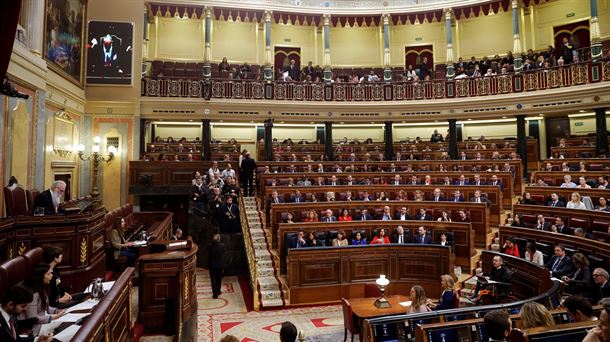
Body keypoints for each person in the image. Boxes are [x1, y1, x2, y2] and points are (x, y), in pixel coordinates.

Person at [22, 263, 65, 336]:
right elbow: (33, 318)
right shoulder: (33, 294)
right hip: (37, 327)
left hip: (45, 320)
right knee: (66, 323)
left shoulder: (42, 287)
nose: (51, 275)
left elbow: (45, 307)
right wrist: (53, 317)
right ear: (40, 277)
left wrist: (57, 311)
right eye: (48, 274)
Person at [208, 233, 225, 299]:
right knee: (219, 279)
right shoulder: (222, 246)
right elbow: (223, 254)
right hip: (220, 265)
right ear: (218, 239)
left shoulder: (209, 246)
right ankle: (218, 291)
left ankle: (215, 294)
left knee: (213, 280)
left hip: (212, 265)